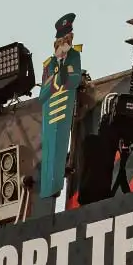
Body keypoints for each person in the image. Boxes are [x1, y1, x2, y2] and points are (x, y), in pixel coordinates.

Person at [37, 13, 83, 201]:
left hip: (64, 106)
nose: (64, 47)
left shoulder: (75, 56)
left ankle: (56, 185)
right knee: (49, 149)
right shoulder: (49, 64)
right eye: (61, 43)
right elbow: (42, 94)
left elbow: (75, 79)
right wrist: (56, 80)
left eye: (67, 42)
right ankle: (48, 187)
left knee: (61, 145)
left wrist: (66, 79)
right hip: (51, 111)